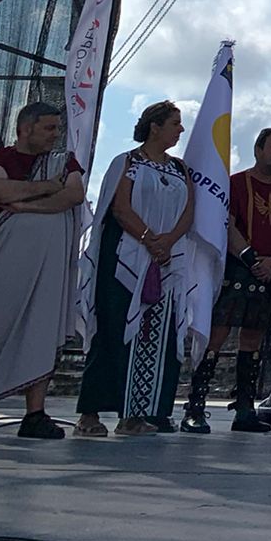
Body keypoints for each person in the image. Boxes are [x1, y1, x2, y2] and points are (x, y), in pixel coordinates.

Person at [0, 101, 85, 440]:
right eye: (48, 128)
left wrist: (24, 205)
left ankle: (35, 415)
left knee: (39, 332)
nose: (56, 135)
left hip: (45, 270)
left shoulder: (62, 162)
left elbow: (73, 194)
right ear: (26, 129)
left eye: (57, 128)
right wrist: (47, 186)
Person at [75, 101, 196, 437]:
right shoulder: (127, 163)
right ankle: (90, 414)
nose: (180, 129)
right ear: (154, 126)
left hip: (165, 261)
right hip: (126, 259)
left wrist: (167, 242)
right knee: (113, 330)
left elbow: (188, 211)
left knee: (156, 337)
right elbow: (119, 207)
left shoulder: (180, 169)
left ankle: (137, 414)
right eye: (175, 123)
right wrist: (147, 238)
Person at [183, 126, 271, 434]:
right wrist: (249, 258)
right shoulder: (236, 184)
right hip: (236, 269)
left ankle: (245, 409)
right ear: (259, 150)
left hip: (269, 271)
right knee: (217, 336)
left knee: (254, 339)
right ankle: (195, 407)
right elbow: (227, 224)